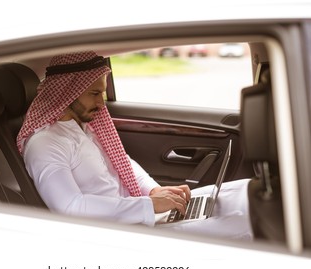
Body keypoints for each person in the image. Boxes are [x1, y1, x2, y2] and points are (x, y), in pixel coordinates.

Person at [17, 51, 252, 239]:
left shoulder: (83, 125)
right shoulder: (46, 143)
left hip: (136, 211)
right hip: (119, 232)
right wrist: (148, 206)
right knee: (245, 223)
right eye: (94, 93)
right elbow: (69, 206)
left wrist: (153, 190)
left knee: (244, 192)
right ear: (68, 93)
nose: (102, 102)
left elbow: (122, 163)